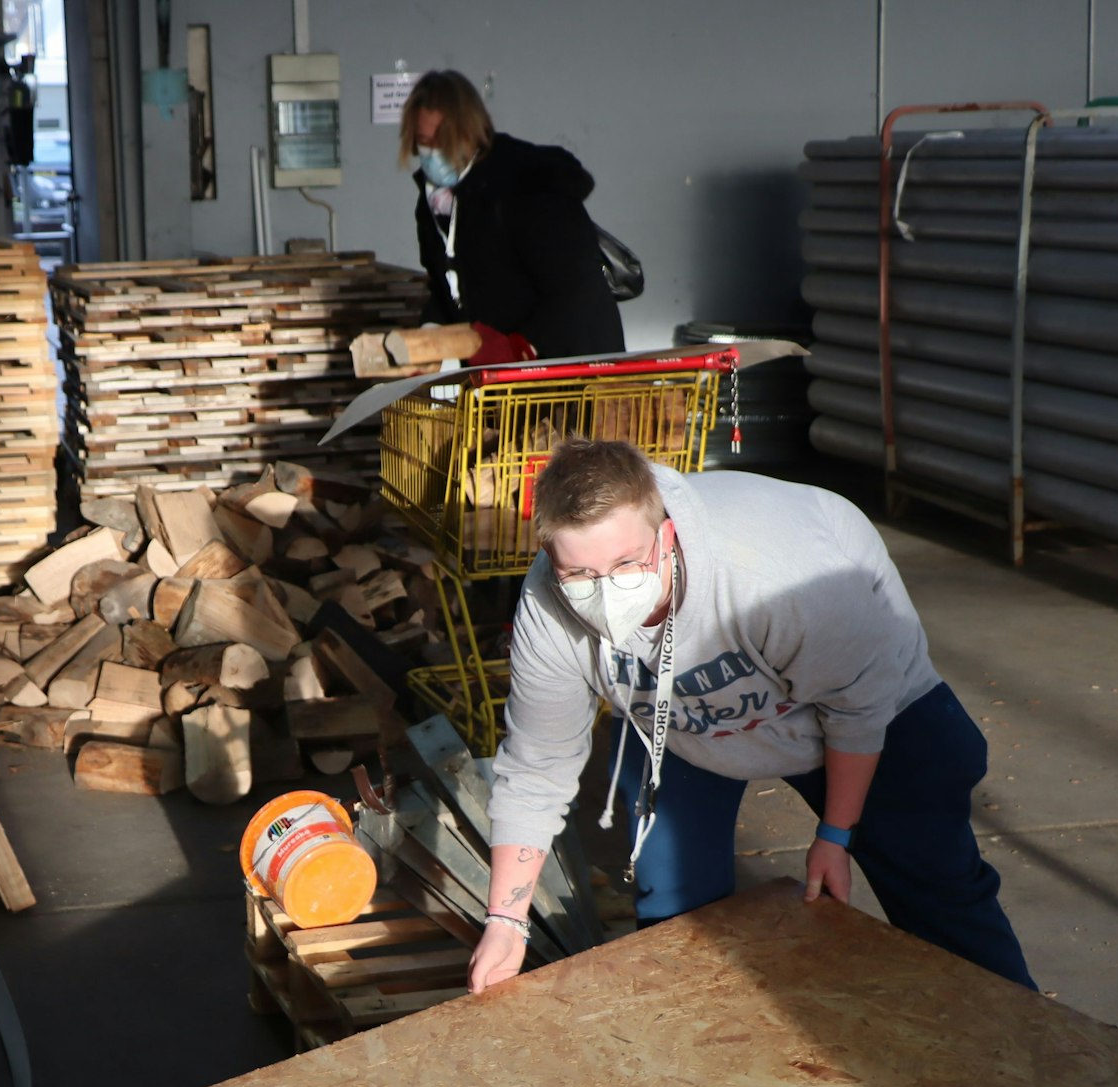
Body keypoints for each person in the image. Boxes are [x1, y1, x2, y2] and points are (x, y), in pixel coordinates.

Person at [470, 438, 1036, 993]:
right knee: (675, 915)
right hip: (686, 726)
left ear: (665, 535)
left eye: (626, 564)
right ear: (550, 558)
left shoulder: (775, 574)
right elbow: (538, 765)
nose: (606, 591)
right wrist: (505, 921)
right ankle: (699, 1067)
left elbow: (858, 705)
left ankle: (1021, 1049)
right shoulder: (549, 608)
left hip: (867, 704)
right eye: (580, 575)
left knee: (936, 885)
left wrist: (836, 835)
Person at [400, 71, 624, 364]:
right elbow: (448, 285)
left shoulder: (527, 184)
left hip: (575, 366)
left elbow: (577, 287)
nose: (433, 153)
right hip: (507, 377)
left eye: (443, 140)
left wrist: (523, 343)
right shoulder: (433, 202)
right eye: (424, 142)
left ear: (471, 131)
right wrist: (430, 336)